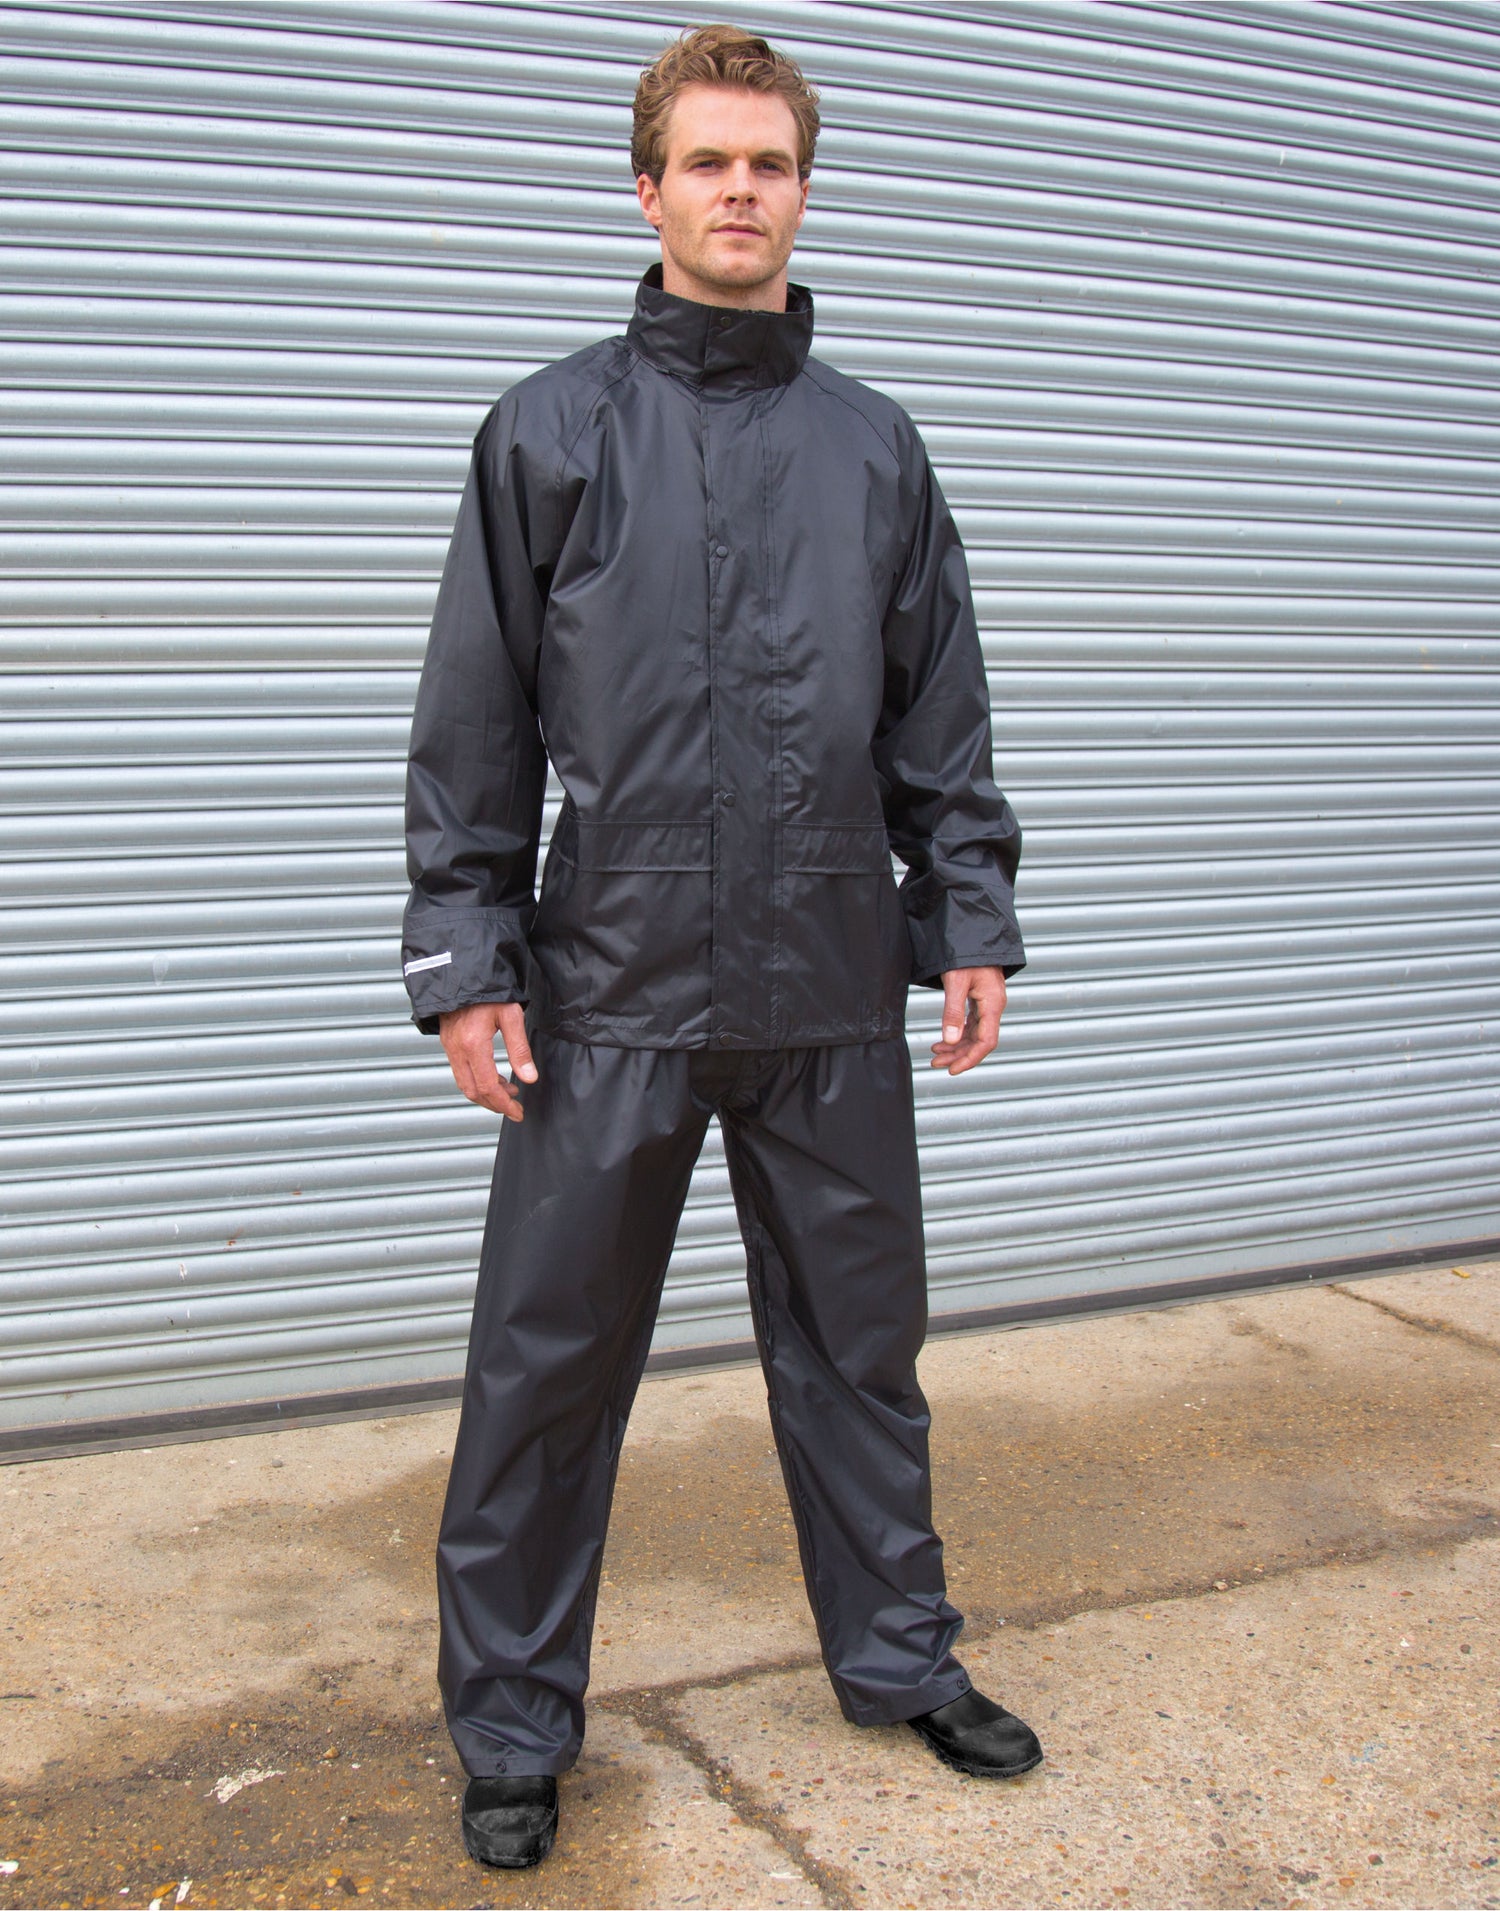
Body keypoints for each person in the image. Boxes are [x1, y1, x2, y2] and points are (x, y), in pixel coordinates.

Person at [401, 22, 1039, 1872]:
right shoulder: (551, 431)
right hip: (611, 985)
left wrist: (969, 911)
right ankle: (513, 1723)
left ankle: (900, 1656)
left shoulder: (875, 449)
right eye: (708, 162)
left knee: (861, 1350)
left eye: (769, 163)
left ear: (803, 191)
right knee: (543, 1369)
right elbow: (475, 718)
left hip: (831, 979)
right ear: (650, 190)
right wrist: (468, 954)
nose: (740, 191)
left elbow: (939, 714)